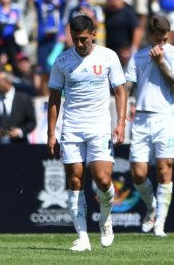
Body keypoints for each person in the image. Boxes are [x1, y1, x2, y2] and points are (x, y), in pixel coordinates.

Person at [46, 15, 127, 251]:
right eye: (75, 39)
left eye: (83, 39)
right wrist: (52, 133)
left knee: (103, 179)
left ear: (94, 34)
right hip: (71, 126)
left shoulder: (108, 56)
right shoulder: (62, 61)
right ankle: (82, 237)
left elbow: (120, 91)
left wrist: (120, 123)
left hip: (99, 126)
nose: (79, 44)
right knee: (75, 180)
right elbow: (53, 98)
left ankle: (105, 219)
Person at [124, 15, 174, 237]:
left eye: (165, 38)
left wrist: (161, 63)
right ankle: (152, 205)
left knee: (164, 169)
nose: (162, 42)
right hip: (141, 118)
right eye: (158, 38)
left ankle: (160, 224)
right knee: (138, 174)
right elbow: (127, 86)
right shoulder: (138, 57)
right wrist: (122, 106)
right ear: (150, 35)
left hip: (165, 118)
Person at [0, 70, 35, 144]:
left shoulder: (24, 99)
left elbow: (32, 122)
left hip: (19, 146)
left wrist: (20, 132)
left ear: (8, 81)